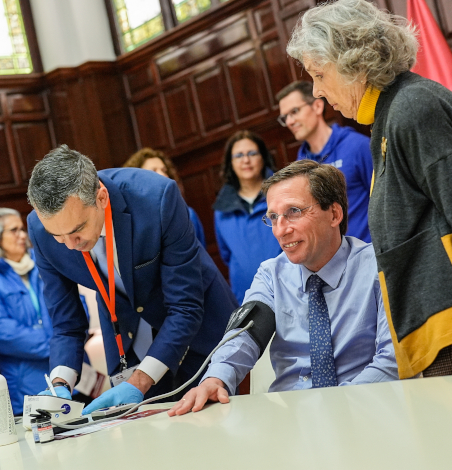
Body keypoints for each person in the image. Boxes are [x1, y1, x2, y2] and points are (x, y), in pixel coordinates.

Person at [286, 0, 452, 379]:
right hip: (434, 331)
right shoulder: (388, 116)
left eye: (319, 74)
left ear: (353, 63)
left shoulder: (413, 107)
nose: (317, 91)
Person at [169, 160, 398, 416]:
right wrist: (215, 379)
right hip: (291, 421)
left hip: (365, 413)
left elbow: (391, 361)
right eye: (273, 217)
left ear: (334, 214)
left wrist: (335, 409)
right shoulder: (271, 275)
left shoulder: (378, 266)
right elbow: (244, 336)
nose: (281, 230)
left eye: (294, 212)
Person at [26, 145, 238, 413]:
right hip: (126, 341)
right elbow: (66, 324)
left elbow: (185, 306)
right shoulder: (40, 228)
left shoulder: (156, 197)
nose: (69, 245)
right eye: (58, 236)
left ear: (101, 198)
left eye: (77, 230)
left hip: (198, 336)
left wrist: (140, 382)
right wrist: (60, 384)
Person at [276, 80, 372, 242]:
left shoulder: (357, 146)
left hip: (368, 253)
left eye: (294, 111)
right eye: (285, 117)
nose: (290, 122)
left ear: (318, 107)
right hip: (329, 262)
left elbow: (386, 200)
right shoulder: (299, 166)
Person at [0, 207, 53, 415]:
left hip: (72, 377)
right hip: (27, 384)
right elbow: (1, 331)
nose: (23, 235)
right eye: (14, 230)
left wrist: (68, 343)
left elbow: (77, 307)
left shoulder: (44, 262)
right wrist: (59, 345)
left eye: (23, 229)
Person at [213, 130, 281, 304]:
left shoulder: (283, 194)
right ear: (230, 163)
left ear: (263, 157)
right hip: (246, 300)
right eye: (238, 155)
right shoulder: (221, 210)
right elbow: (226, 255)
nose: (246, 160)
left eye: (252, 153)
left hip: (289, 291)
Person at [123, 147, 206, 248]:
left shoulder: (187, 214)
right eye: (153, 171)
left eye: (164, 170)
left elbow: (200, 254)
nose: (162, 174)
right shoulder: (130, 222)